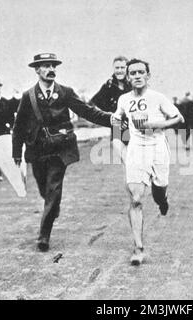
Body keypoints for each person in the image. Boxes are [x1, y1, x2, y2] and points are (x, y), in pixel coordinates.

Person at [12, 53, 115, 252]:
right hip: (37, 150)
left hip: (60, 149)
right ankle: (53, 206)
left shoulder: (65, 92)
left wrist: (111, 119)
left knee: (53, 189)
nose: (51, 69)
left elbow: (87, 111)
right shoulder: (28, 96)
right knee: (45, 190)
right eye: (46, 66)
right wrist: (16, 154)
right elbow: (18, 126)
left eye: (54, 66)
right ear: (37, 70)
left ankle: (44, 236)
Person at [111, 58, 184, 265]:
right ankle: (138, 248)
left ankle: (162, 199)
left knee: (159, 190)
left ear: (148, 76)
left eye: (141, 72)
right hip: (136, 149)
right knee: (135, 198)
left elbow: (179, 118)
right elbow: (117, 119)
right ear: (127, 77)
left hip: (158, 148)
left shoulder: (158, 98)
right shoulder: (123, 99)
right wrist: (118, 142)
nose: (137, 76)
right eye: (132, 73)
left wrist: (155, 124)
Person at [90, 56, 131, 162]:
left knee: (139, 164)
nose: (119, 71)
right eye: (117, 68)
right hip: (117, 129)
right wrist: (109, 116)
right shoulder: (108, 86)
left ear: (128, 68)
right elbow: (93, 104)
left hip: (135, 128)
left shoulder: (134, 85)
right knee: (127, 163)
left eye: (122, 68)